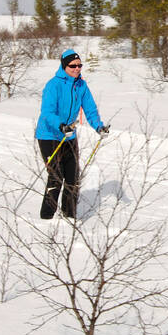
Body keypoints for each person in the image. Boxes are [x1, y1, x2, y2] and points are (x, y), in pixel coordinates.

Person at [35, 48, 108, 219]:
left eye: (79, 65)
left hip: (69, 137)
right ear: (64, 66)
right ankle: (47, 218)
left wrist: (99, 127)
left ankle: (69, 217)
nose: (77, 69)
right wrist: (61, 126)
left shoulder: (81, 85)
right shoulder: (54, 85)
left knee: (73, 178)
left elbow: (90, 109)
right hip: (49, 136)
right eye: (72, 65)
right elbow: (47, 112)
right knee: (56, 177)